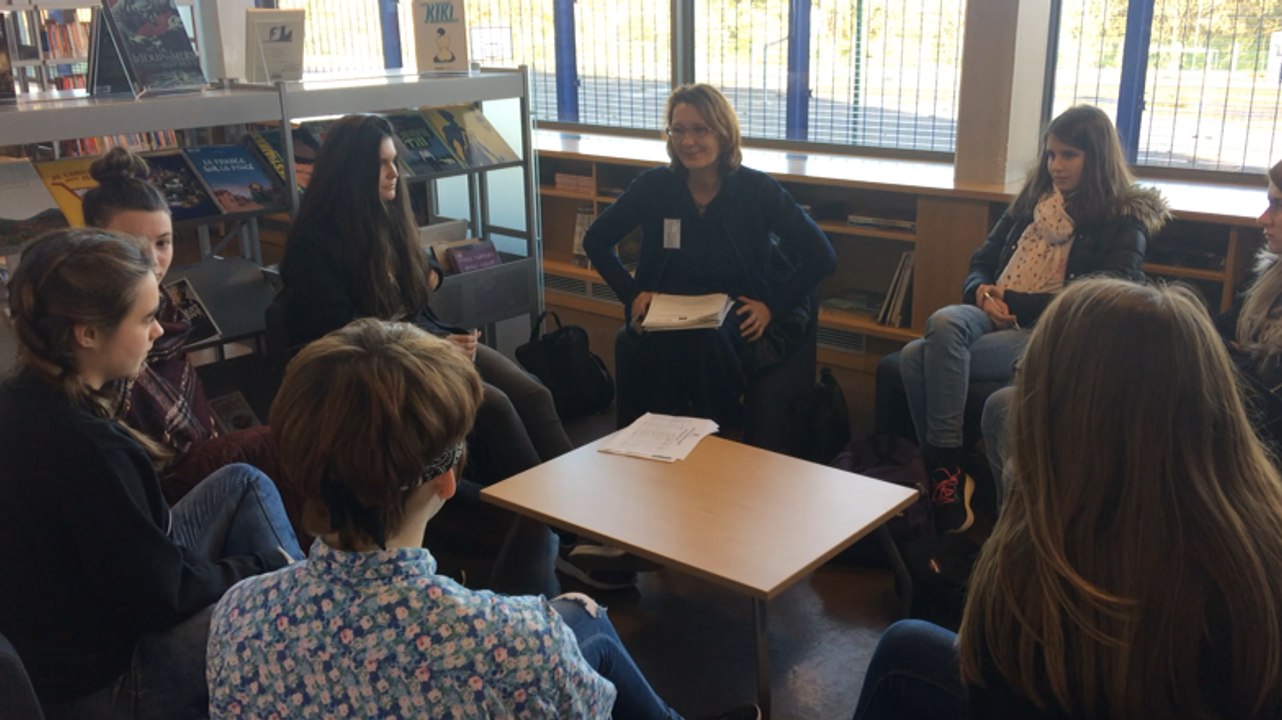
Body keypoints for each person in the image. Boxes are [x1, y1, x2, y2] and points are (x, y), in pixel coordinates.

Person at [207, 318, 760, 720]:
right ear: (445, 479)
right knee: (579, 620)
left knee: (581, 617)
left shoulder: (237, 616)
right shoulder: (515, 644)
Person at [852, 278, 1282, 720]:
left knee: (903, 649)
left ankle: (945, 474)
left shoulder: (1043, 562)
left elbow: (990, 691)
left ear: (1056, 413)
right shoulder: (1262, 536)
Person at [280, 113, 628, 593]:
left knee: (533, 393)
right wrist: (432, 350)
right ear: (349, 171)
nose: (395, 174)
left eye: (395, 162)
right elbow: (346, 339)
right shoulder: (314, 246)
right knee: (497, 406)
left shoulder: (387, 219)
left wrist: (432, 292)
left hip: (425, 342)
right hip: (388, 367)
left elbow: (422, 285)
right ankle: (558, 531)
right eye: (382, 165)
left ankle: (584, 513)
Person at [0, 228, 302, 719]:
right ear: (88, 333)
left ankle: (303, 589)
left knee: (243, 480)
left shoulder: (24, 399)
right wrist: (260, 569)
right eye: (145, 319)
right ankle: (318, 619)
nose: (158, 332)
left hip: (79, 626)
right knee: (279, 613)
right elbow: (161, 598)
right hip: (103, 686)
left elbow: (133, 563)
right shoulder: (89, 449)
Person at [898, 104, 1168, 533]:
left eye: (1068, 156)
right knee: (943, 323)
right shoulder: (1032, 203)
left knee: (915, 356)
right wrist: (982, 293)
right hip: (993, 313)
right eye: (1050, 155)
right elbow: (981, 260)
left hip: (1053, 333)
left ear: (1095, 158)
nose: (1055, 166)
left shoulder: (1124, 218)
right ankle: (946, 467)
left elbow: (1099, 301)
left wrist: (1017, 303)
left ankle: (945, 478)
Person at [583, 83, 835, 447]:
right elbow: (596, 240)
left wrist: (771, 307)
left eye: (700, 129)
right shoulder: (655, 187)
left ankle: (723, 435)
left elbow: (822, 254)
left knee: (705, 338)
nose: (688, 141)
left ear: (723, 132)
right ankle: (658, 447)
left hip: (735, 311)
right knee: (663, 341)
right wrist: (632, 294)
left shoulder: (756, 190)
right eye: (679, 130)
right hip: (667, 307)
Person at [81, 147, 298, 518]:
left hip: (195, 460)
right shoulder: (95, 327)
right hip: (153, 492)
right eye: (133, 245)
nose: (153, 259)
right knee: (281, 448)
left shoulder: (165, 308)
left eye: (163, 242)